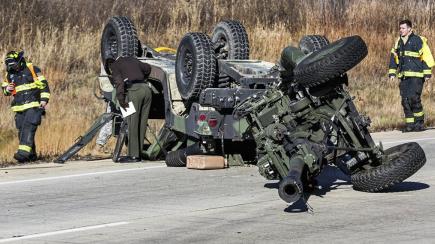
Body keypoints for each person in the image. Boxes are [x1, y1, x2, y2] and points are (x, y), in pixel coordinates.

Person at [1, 51, 50, 162]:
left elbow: (44, 85)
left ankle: (23, 153)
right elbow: (5, 89)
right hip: (19, 108)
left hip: (33, 105)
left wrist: (43, 100)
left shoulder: (32, 69)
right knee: (22, 131)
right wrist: (7, 89)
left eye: (14, 65)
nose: (13, 67)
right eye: (10, 66)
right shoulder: (9, 74)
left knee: (29, 126)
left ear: (20, 61)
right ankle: (31, 156)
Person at [388, 19, 434, 132]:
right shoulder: (398, 42)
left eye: (403, 28)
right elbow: (394, 58)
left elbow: (426, 56)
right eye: (400, 28)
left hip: (417, 76)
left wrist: (427, 73)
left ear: (410, 29)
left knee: (414, 98)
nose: (401, 30)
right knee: (405, 100)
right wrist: (392, 72)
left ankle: (419, 123)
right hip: (404, 77)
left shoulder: (418, 40)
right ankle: (410, 124)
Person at [109, 55, 152, 162]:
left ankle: (133, 156)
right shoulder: (132, 59)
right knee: (142, 123)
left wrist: (121, 101)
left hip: (134, 91)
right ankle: (139, 153)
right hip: (147, 90)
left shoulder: (115, 65)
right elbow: (148, 68)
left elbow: (119, 84)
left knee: (132, 122)